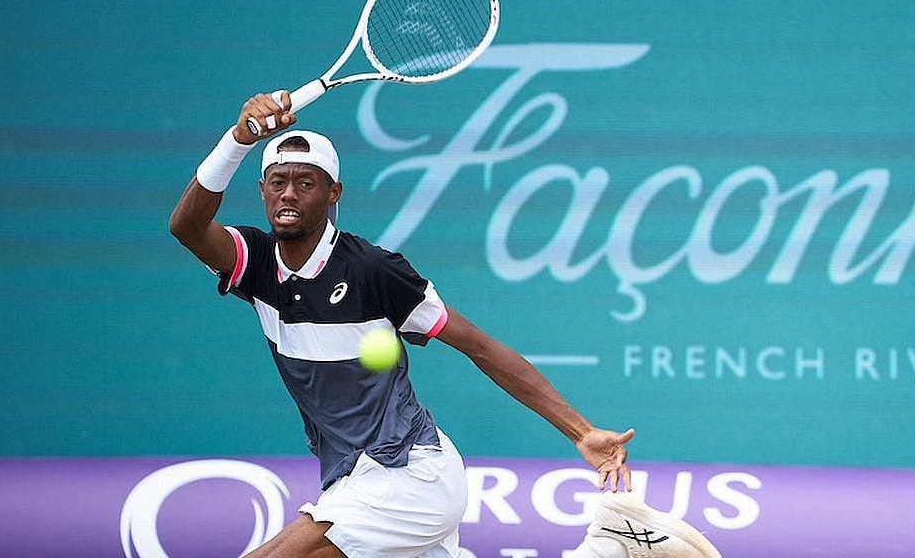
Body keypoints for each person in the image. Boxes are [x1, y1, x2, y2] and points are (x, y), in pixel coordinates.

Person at [169, 91, 722, 558]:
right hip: (349, 475)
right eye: (277, 181)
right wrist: (238, 139)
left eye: (306, 182)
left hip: (407, 474)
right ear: (263, 190)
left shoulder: (373, 270)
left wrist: (581, 431)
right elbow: (187, 226)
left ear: (333, 194)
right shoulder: (256, 262)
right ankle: (612, 546)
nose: (288, 193)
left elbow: (480, 346)